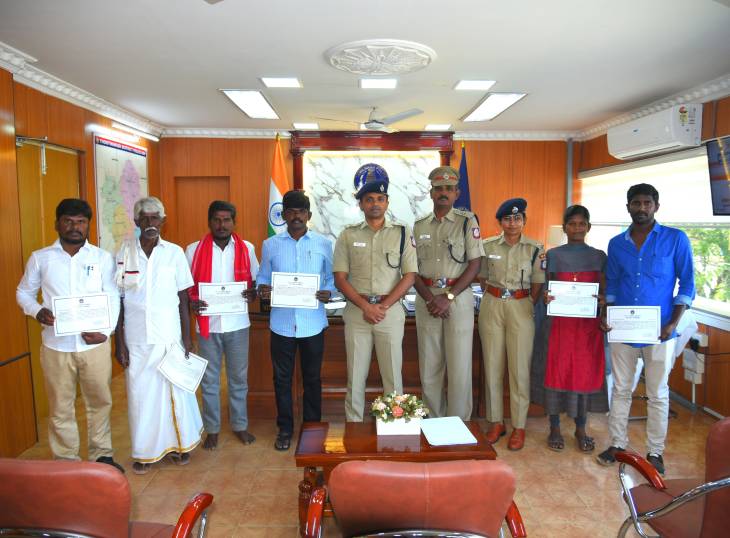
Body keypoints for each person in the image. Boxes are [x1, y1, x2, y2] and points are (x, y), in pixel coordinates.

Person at [16, 198, 123, 472]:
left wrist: (106, 332)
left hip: (94, 346)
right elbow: (23, 293)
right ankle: (66, 463)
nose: (75, 227)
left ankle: (102, 456)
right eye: (68, 221)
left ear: (88, 225)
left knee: (100, 402)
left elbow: (112, 296)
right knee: (60, 407)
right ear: (57, 224)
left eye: (81, 222)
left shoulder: (102, 258)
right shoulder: (41, 258)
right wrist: (37, 311)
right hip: (56, 346)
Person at [597, 183, 694, 475]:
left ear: (656, 206)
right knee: (621, 389)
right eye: (636, 203)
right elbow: (613, 284)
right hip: (623, 329)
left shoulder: (675, 239)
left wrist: (672, 323)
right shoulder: (617, 244)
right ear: (628, 207)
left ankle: (655, 452)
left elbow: (687, 284)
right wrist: (606, 314)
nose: (641, 208)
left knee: (657, 393)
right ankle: (617, 444)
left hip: (660, 330)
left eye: (647, 203)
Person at [114, 196, 202, 474]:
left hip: (169, 337)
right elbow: (118, 300)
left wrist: (187, 337)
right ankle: (144, 452)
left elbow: (184, 298)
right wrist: (119, 343)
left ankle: (179, 447)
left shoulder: (174, 253)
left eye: (155, 218)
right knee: (141, 398)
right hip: (137, 340)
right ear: (137, 221)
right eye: (145, 218)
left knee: (174, 394)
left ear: (163, 221)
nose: (150, 222)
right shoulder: (124, 252)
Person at [333, 163, 418, 421]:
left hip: (389, 314)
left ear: (387, 203)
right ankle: (354, 427)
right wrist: (366, 306)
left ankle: (396, 427)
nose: (375, 204)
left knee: (393, 375)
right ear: (361, 204)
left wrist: (383, 306)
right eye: (369, 199)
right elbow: (340, 278)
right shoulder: (347, 235)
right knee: (355, 375)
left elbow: (410, 275)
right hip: (357, 313)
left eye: (380, 199)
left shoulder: (402, 233)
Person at [257, 190, 335, 450]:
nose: (296, 216)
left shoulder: (323, 244)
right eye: (291, 212)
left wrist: (329, 292)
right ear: (284, 215)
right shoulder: (271, 245)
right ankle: (285, 429)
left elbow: (331, 279)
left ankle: (312, 428)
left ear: (308, 215)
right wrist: (262, 288)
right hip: (281, 325)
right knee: (282, 380)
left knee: (312, 378)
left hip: (313, 323)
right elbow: (263, 277)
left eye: (301, 212)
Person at [532, 205, 609, 452]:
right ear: (565, 227)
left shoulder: (600, 256)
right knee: (557, 371)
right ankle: (554, 426)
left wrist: (603, 300)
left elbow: (605, 289)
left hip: (587, 328)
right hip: (559, 326)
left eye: (582, 224)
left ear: (589, 227)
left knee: (583, 374)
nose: (577, 228)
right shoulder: (552, 256)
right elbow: (543, 287)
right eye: (572, 224)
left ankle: (581, 427)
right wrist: (545, 296)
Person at [186, 200, 258, 450]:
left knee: (239, 379)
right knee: (210, 381)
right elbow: (186, 288)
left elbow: (254, 282)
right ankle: (213, 429)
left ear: (234, 222)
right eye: (217, 220)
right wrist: (192, 302)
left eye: (227, 220)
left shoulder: (247, 248)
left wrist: (252, 293)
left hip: (238, 324)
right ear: (209, 222)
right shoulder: (193, 250)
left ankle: (240, 425)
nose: (221, 224)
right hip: (208, 326)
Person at [413, 166, 483, 420]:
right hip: (427, 300)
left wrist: (448, 297)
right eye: (438, 188)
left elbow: (475, 265)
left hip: (458, 299)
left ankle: (458, 423)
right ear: (431, 192)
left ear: (457, 193)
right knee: (429, 366)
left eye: (449, 189)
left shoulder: (467, 222)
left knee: (459, 366)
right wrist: (431, 299)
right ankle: (433, 420)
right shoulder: (419, 225)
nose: (443, 193)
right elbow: (411, 269)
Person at [478, 198, 544, 450]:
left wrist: (524, 302)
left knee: (519, 369)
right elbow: (482, 278)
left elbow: (537, 283)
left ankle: (519, 426)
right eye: (507, 219)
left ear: (524, 221)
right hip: (492, 304)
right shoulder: (487, 246)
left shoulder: (535, 248)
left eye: (517, 218)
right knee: (492, 365)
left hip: (521, 306)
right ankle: (496, 422)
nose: (512, 223)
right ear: (500, 222)